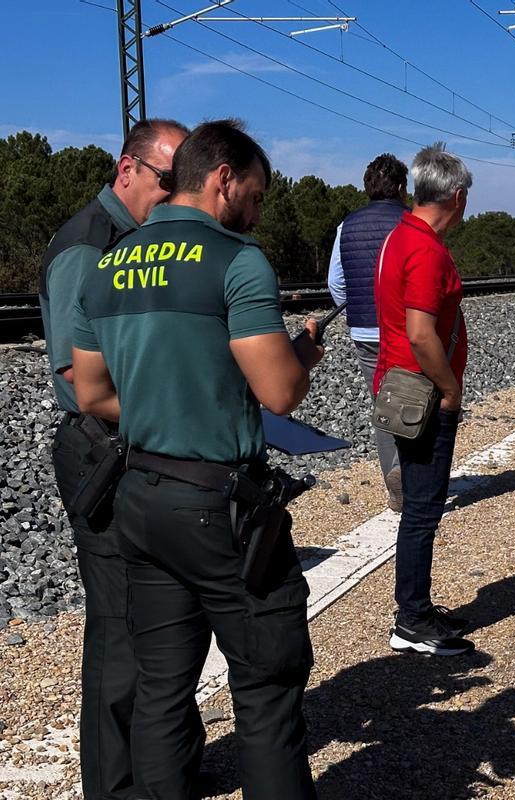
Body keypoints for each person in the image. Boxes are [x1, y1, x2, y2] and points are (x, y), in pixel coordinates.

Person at [71, 119, 321, 799]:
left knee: (160, 690)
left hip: (141, 497)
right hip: (221, 507)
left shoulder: (108, 265)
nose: (258, 210)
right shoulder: (237, 260)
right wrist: (304, 354)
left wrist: (159, 406)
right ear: (224, 179)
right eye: (258, 195)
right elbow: (277, 393)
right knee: (266, 694)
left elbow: (92, 392)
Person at [39, 117, 188, 800]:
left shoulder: (142, 242)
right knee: (119, 632)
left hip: (139, 444)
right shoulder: (87, 246)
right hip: (102, 450)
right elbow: (77, 375)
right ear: (126, 168)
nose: (173, 193)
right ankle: (114, 786)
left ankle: (163, 769)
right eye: (166, 179)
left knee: (162, 618)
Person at [374, 142, 475, 657]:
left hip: (399, 386)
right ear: (455, 196)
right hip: (423, 395)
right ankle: (411, 620)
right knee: (423, 508)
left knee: (419, 504)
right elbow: (420, 332)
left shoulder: (399, 237)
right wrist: (450, 389)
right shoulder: (427, 249)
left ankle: (416, 606)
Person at [328, 154, 410, 512]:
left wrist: (360, 304)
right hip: (404, 329)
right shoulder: (411, 223)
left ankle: (395, 484)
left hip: (363, 330)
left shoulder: (347, 225)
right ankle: (409, 474)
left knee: (382, 405)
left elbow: (335, 282)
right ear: (402, 187)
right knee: (413, 401)